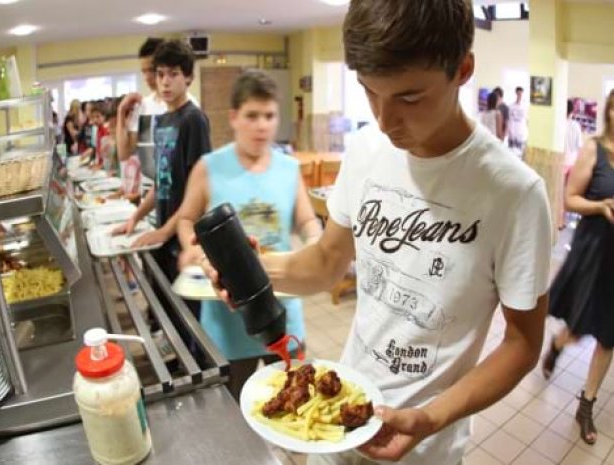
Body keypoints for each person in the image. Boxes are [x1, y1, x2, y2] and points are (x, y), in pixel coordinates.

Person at [199, 1, 551, 464]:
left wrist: (431, 417)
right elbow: (327, 261)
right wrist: (254, 270)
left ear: (462, 69)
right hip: (339, 415)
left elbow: (523, 343)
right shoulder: (366, 149)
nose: (385, 122)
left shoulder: (515, 193)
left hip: (426, 447)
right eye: (369, 92)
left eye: (408, 98)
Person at [176, 70, 322, 401]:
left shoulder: (289, 168)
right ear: (234, 118)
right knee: (231, 409)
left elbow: (307, 221)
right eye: (252, 116)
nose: (261, 125)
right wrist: (195, 252)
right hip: (227, 318)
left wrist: (318, 242)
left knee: (295, 404)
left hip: (282, 312)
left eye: (269, 116)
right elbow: (186, 219)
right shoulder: (209, 167)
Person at [113, 40, 211, 348]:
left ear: (188, 78)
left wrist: (164, 232)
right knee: (166, 308)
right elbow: (161, 181)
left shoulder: (193, 119)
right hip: (164, 229)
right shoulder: (163, 121)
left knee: (189, 319)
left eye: (173, 74)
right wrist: (136, 218)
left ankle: (195, 369)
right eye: (160, 74)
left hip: (184, 235)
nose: (165, 81)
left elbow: (199, 192)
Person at [542, 89, 614, 446]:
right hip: (593, 252)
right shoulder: (594, 149)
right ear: (610, 112)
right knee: (581, 326)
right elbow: (570, 198)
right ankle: (557, 344)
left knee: (609, 335)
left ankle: (586, 404)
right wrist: (601, 206)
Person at [116, 37, 199, 178]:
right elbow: (124, 153)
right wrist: (121, 111)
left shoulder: (187, 106)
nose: (147, 77)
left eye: (151, 70)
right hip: (149, 190)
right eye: (143, 71)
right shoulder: (143, 105)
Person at [559, 99, 584, 229]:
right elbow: (579, 146)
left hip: (562, 162)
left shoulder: (559, 124)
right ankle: (573, 218)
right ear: (572, 111)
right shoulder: (576, 126)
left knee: (561, 192)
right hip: (573, 162)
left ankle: (561, 221)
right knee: (571, 192)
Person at [508, 86, 527, 153]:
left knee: (520, 154)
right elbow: (509, 120)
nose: (519, 96)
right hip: (512, 135)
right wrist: (510, 132)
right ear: (516, 94)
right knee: (511, 154)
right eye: (518, 94)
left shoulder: (525, 107)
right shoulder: (511, 106)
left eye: (521, 94)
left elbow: (526, 121)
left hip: (521, 135)